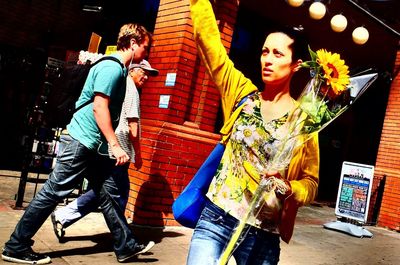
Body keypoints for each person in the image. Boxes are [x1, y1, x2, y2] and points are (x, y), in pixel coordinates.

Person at [2, 23, 155, 264]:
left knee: (109, 193)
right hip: (81, 141)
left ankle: (125, 246)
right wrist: (115, 144)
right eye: (146, 47)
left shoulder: (119, 69)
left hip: (93, 146)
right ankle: (16, 246)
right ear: (133, 43)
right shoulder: (112, 68)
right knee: (53, 192)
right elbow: (99, 106)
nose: (147, 53)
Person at [186, 0, 319, 265]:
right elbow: (212, 47)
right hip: (217, 216)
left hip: (263, 233)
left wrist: (289, 187)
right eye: (264, 52)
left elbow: (311, 183)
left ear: (296, 64)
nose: (268, 60)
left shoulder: (305, 121)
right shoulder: (242, 94)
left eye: (278, 54)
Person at [50, 60, 159, 241]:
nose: (146, 77)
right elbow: (133, 126)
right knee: (116, 192)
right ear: (132, 70)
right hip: (118, 151)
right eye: (144, 72)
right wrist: (138, 154)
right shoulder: (130, 88)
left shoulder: (121, 85)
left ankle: (66, 216)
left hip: (110, 148)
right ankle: (122, 239)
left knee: (107, 191)